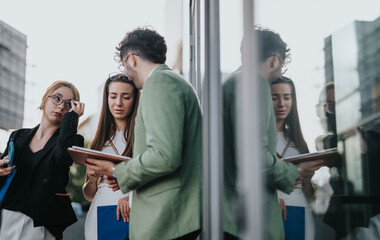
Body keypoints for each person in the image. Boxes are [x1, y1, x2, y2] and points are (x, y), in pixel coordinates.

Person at [85, 27, 202, 240]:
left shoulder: (159, 83)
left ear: (131, 58)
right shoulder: (173, 82)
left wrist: (117, 171)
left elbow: (165, 156)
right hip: (174, 213)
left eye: (123, 64)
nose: (125, 71)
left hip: (167, 216)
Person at [222, 27, 323, 240]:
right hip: (248, 218)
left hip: (229, 213)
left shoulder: (229, 83)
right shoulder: (254, 83)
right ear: (276, 59)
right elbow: (253, 155)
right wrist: (295, 173)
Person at [0, 81, 85, 239]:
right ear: (44, 100)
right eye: (57, 98)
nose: (60, 107)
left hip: (40, 224)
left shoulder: (74, 141)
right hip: (7, 216)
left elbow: (61, 157)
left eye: (68, 104)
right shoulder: (18, 136)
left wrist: (72, 117)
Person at [82, 74, 140, 240]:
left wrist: (131, 197)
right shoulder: (99, 141)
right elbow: (89, 194)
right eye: (113, 96)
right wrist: (92, 179)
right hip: (99, 212)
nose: (118, 103)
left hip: (132, 212)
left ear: (135, 99)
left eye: (126, 97)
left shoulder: (142, 135)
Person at [271, 76, 315, 240]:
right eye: (274, 98)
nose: (281, 104)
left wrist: (307, 179)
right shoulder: (258, 139)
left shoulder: (298, 142)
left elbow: (308, 195)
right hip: (272, 212)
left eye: (287, 97)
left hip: (300, 210)